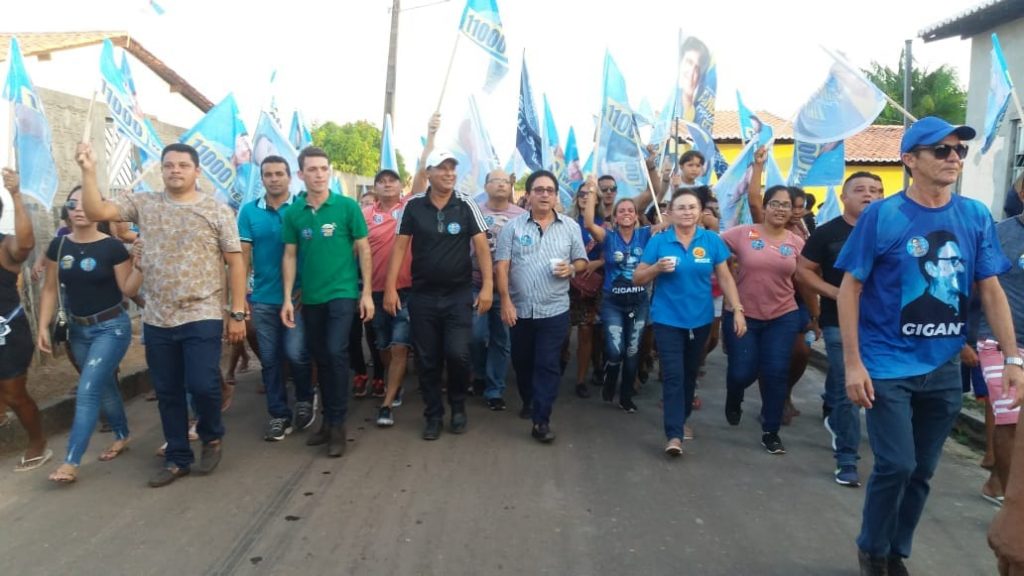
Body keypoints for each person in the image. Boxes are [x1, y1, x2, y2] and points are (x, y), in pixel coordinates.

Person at [836, 117, 1023, 575]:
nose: (953, 158)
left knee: (922, 470)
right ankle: (872, 548)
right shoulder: (884, 216)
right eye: (941, 150)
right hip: (886, 365)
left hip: (943, 366)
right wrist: (853, 364)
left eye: (958, 150)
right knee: (897, 464)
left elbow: (990, 289)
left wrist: (1012, 357)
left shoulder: (974, 215)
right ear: (910, 160)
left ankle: (896, 551)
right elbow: (849, 288)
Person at [80, 141, 247, 487]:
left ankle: (211, 435)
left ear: (197, 171)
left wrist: (237, 312)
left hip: (202, 311)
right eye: (169, 165)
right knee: (168, 391)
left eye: (183, 165)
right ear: (162, 169)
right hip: (157, 316)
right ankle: (177, 458)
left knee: (202, 384)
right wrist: (88, 170)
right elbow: (96, 211)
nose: (175, 171)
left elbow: (235, 262)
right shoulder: (145, 203)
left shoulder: (217, 211)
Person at [37, 186, 143, 483]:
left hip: (111, 328)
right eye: (73, 204)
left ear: (99, 209)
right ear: (66, 210)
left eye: (87, 203)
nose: (79, 209)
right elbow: (49, 290)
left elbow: (127, 290)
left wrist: (140, 266)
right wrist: (43, 326)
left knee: (87, 390)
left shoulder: (112, 248)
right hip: (78, 330)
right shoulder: (58, 246)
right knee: (104, 385)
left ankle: (71, 461)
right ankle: (122, 434)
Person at [385, 149, 492, 441]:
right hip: (423, 297)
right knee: (427, 358)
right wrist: (391, 288)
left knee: (458, 354)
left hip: (458, 295)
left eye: (452, 168)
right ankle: (433, 414)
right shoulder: (413, 206)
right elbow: (399, 247)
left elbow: (482, 247)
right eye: (442, 168)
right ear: (428, 173)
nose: (449, 173)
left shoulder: (466, 204)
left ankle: (458, 406)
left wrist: (487, 287)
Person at [634, 187, 744, 454]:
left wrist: (738, 309)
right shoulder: (659, 241)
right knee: (673, 374)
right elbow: (637, 277)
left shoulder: (711, 240)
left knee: (689, 373)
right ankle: (674, 434)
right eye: (681, 207)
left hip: (700, 319)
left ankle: (681, 419)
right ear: (670, 213)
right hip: (667, 318)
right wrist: (656, 268)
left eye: (692, 207)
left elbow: (725, 277)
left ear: (700, 212)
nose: (687, 212)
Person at [281, 146, 373, 458]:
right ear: (301, 174)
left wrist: (366, 293)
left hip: (343, 293)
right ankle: (326, 421)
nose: (319, 174)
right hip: (311, 297)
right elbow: (290, 255)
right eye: (312, 169)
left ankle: (338, 426)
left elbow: (364, 249)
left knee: (335, 352)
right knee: (320, 357)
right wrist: (287, 298)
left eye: (323, 168)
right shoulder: (294, 213)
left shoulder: (347, 207)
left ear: (329, 171)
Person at [797, 171, 883, 487]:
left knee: (879, 388)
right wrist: (835, 293)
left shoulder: (894, 231)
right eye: (860, 189)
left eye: (876, 190)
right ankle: (847, 459)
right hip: (838, 322)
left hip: (882, 325)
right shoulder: (827, 233)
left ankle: (838, 419)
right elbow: (803, 271)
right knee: (851, 386)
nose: (868, 195)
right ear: (844, 197)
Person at [496, 170, 587, 442]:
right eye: (539, 189)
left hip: (555, 310)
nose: (544, 194)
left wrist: (571, 268)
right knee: (522, 362)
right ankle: (528, 399)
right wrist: (505, 301)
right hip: (520, 310)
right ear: (528, 195)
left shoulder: (570, 227)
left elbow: (581, 261)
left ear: (556, 196)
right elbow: (502, 266)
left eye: (549, 190)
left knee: (547, 364)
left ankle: (541, 420)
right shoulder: (512, 228)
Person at [720, 185, 809, 455]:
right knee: (741, 372)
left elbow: (807, 276)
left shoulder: (797, 242)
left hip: (782, 316)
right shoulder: (743, 233)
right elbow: (712, 248)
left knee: (776, 373)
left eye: (786, 205)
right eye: (775, 203)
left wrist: (815, 314)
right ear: (765, 206)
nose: (780, 209)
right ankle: (734, 395)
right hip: (742, 314)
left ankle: (771, 431)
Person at [238, 155, 316, 441]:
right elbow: (242, 259)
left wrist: (309, 287)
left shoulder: (303, 208)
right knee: (270, 360)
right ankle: (278, 415)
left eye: (279, 174)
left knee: (296, 354)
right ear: (262, 179)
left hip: (297, 298)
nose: (274, 179)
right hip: (262, 299)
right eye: (268, 174)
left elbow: (315, 252)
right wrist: (238, 300)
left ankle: (305, 398)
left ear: (289, 177)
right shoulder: (249, 212)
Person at [582, 182, 655, 413]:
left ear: (636, 215)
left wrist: (667, 182)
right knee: (615, 350)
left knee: (632, 351)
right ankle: (610, 375)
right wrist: (592, 192)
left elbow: (670, 222)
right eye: (621, 210)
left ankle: (625, 397)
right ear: (614, 217)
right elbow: (588, 223)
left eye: (630, 210)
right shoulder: (608, 236)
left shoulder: (645, 234)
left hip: (639, 303)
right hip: (612, 303)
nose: (626, 213)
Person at [0, 167, 49, 472]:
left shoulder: (5, 246)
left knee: (14, 394)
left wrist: (16, 194)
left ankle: (38, 442)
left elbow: (27, 244)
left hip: (7, 333)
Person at [363, 166, 414, 427]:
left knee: (399, 346)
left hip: (406, 290)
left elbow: (422, 177)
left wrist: (428, 147)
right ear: (375, 188)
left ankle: (387, 403)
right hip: (375, 291)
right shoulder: (364, 215)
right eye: (381, 181)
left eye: (392, 180)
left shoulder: (409, 208)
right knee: (383, 346)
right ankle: (395, 382)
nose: (387, 184)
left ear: (401, 186)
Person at [472, 169, 525, 411]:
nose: (502, 185)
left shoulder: (522, 216)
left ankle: (494, 389)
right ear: (486, 186)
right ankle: (479, 373)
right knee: (475, 336)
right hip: (475, 285)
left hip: (508, 290)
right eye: (496, 181)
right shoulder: (474, 211)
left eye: (506, 181)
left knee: (501, 340)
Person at [564, 182, 605, 399]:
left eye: (590, 194)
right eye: (581, 193)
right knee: (562, 333)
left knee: (586, 332)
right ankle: (562, 358)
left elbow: (612, 253)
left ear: (597, 200)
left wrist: (599, 263)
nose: (585, 197)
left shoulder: (604, 225)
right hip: (565, 283)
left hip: (589, 286)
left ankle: (580, 380)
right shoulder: (565, 221)